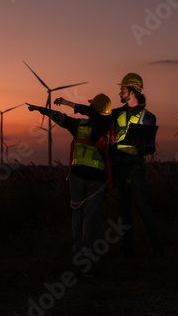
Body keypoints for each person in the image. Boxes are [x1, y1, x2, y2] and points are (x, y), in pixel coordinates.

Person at [55, 73, 164, 257]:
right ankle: (127, 249)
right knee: (123, 211)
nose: (119, 92)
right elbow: (94, 112)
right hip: (118, 168)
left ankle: (157, 250)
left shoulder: (148, 117)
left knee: (143, 208)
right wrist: (69, 104)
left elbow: (151, 147)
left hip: (135, 169)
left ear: (131, 91)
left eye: (122, 89)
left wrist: (142, 147)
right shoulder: (117, 113)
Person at [27, 94, 113, 256]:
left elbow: (61, 118)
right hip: (96, 178)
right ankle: (88, 248)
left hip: (77, 175)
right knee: (90, 213)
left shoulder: (80, 125)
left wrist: (41, 110)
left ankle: (77, 246)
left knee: (77, 211)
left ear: (92, 110)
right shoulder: (110, 131)